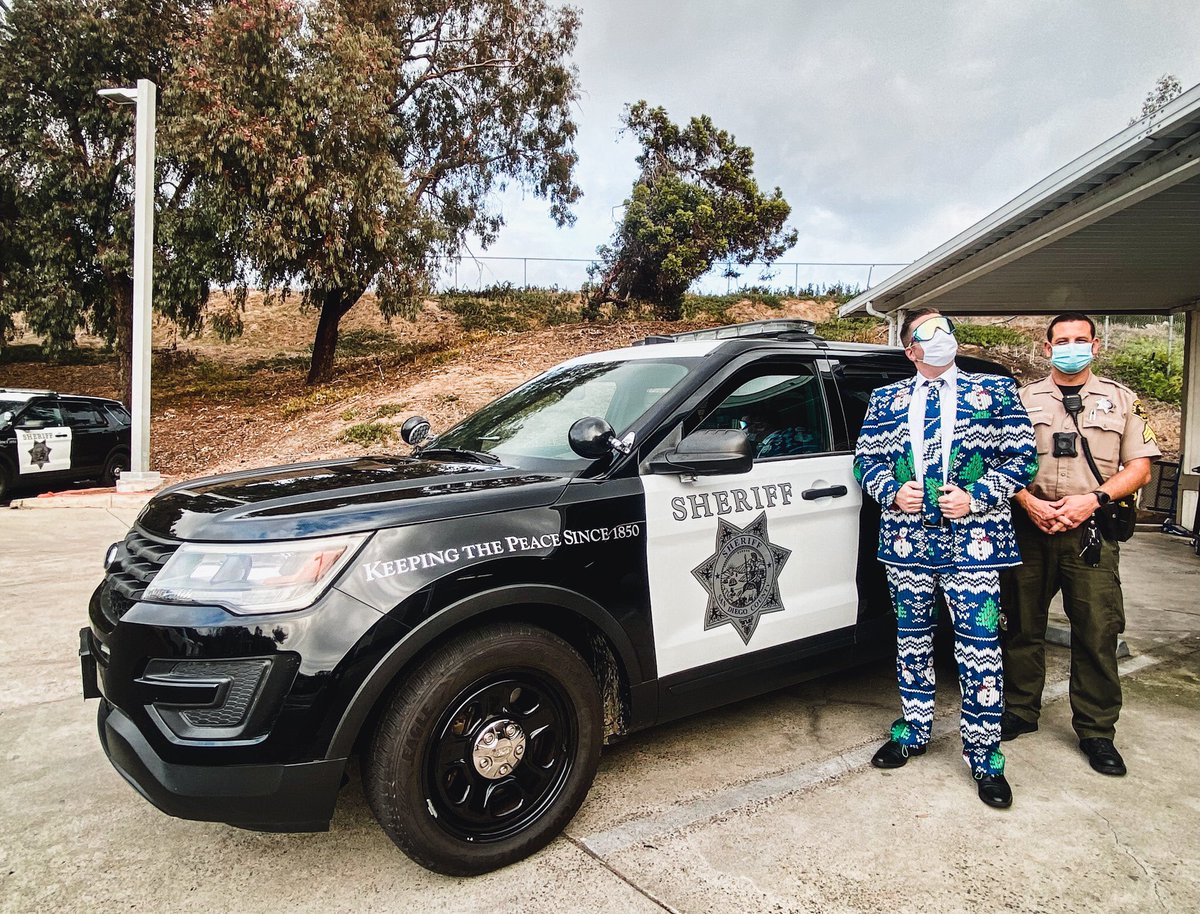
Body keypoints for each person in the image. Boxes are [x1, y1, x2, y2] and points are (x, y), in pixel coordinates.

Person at [854, 309, 1036, 808]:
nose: (942, 338)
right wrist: (891, 491)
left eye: (946, 329)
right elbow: (865, 460)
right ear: (911, 349)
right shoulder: (886, 397)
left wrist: (977, 495)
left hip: (974, 544)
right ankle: (913, 731)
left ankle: (985, 756)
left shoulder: (993, 392)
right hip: (908, 544)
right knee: (912, 642)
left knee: (980, 650)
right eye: (929, 333)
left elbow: (1023, 458)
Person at [999, 312, 1160, 776]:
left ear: (1095, 346)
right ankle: (1020, 710)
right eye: (1061, 340)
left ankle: (1096, 730)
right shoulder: (1020, 399)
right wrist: (1027, 501)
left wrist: (1093, 500)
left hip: (1089, 531)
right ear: (1046, 349)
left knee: (1096, 631)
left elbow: (1140, 467)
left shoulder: (1121, 401)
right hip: (1029, 525)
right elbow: (996, 459)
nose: (1071, 346)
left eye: (1080, 339)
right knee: (1020, 626)